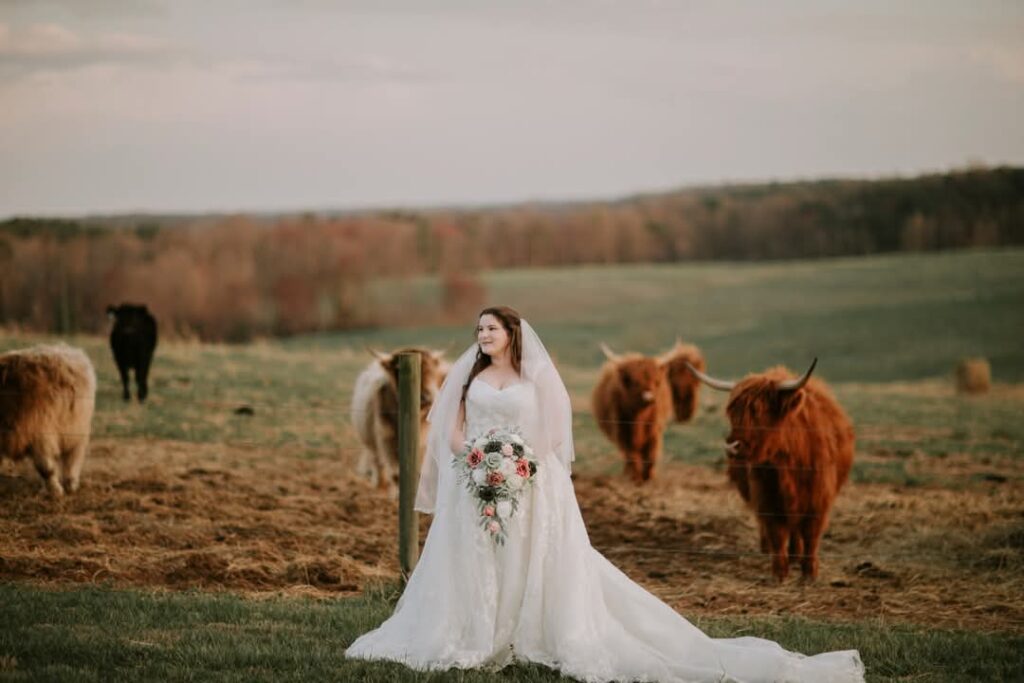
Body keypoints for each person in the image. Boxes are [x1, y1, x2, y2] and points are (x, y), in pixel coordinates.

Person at [345, 306, 865, 682]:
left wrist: (521, 462)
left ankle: (536, 628)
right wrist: (475, 458)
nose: (483, 335)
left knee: (535, 557)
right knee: (475, 556)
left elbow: (553, 430)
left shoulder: (537, 375)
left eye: (492, 329)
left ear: (512, 335)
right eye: (480, 329)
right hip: (476, 479)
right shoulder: (468, 377)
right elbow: (451, 428)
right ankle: (472, 629)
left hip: (530, 478)